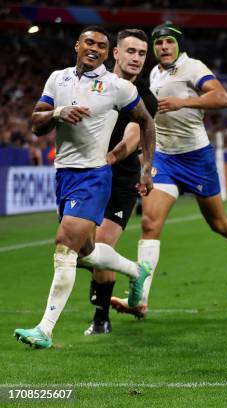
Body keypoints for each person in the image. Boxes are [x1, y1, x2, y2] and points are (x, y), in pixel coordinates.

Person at [110, 24, 227, 319]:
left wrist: (183, 102)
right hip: (164, 157)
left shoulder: (193, 67)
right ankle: (141, 299)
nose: (163, 47)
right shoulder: (154, 74)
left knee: (218, 223)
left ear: (179, 45)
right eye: (158, 42)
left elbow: (223, 99)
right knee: (150, 223)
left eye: (168, 42)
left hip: (196, 158)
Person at [14, 26, 156, 349]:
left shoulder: (116, 87)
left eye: (102, 46)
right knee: (86, 253)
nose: (94, 48)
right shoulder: (57, 79)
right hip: (63, 175)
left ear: (108, 53)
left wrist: (146, 169)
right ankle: (137, 270)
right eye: (89, 42)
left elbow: (146, 122)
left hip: (94, 176)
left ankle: (45, 329)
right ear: (77, 45)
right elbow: (37, 123)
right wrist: (59, 113)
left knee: (65, 245)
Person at [84, 28, 158, 336]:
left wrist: (110, 159)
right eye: (131, 51)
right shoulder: (93, 82)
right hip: (85, 174)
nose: (137, 58)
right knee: (81, 249)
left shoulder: (145, 97)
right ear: (115, 53)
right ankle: (128, 272)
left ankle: (101, 319)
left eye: (142, 53)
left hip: (120, 178)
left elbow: (132, 139)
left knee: (102, 245)